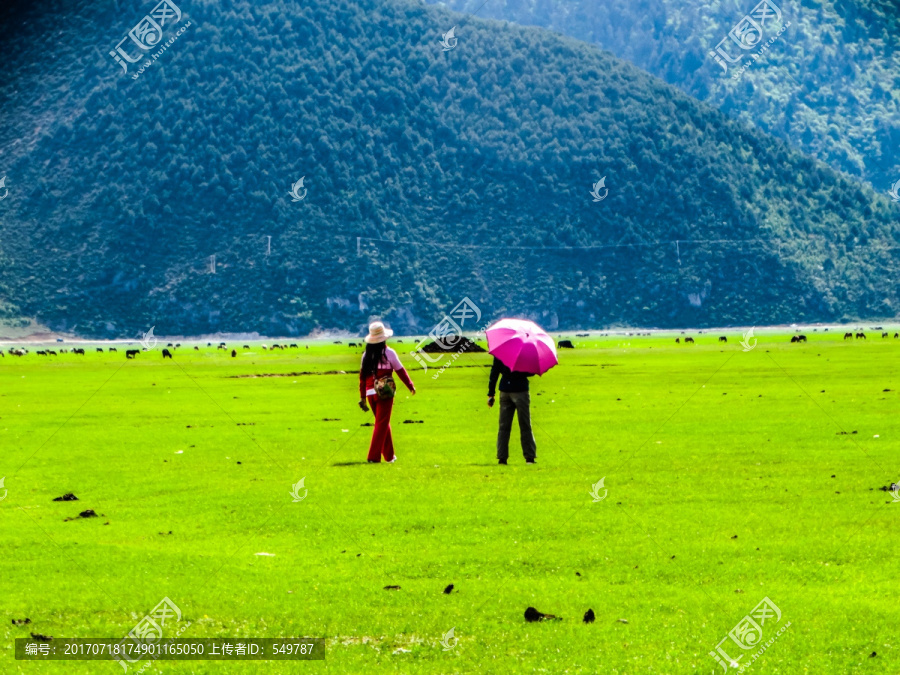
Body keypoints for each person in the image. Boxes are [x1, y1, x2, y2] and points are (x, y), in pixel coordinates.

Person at [358, 321, 416, 463]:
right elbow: (400, 370)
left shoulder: (366, 355)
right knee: (381, 424)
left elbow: (362, 378)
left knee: (383, 423)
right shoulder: (389, 352)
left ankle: (390, 456)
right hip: (384, 392)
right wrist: (410, 385)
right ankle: (373, 457)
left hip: (370, 393)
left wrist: (362, 397)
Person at [488, 356, 536, 464]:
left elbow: (494, 371)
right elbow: (530, 372)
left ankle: (502, 457)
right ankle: (529, 457)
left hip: (505, 391)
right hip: (520, 390)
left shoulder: (500, 352)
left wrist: (491, 393)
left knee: (503, 426)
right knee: (525, 425)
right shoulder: (524, 351)